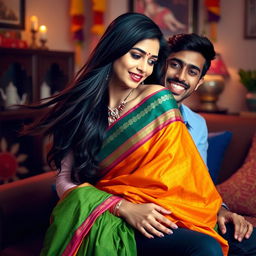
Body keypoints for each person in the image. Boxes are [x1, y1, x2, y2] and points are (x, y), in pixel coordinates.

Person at [22, 13, 229, 255]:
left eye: (151, 61)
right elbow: (65, 181)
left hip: (161, 210)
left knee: (225, 242)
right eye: (137, 55)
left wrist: (219, 209)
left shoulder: (156, 100)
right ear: (114, 49)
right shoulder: (79, 109)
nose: (143, 68)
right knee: (205, 248)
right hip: (106, 213)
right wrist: (122, 207)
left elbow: (183, 174)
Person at [164, 33, 256, 256]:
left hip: (193, 214)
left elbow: (202, 183)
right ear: (160, 65)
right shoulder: (133, 113)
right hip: (156, 216)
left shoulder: (197, 124)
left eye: (192, 71)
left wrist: (221, 210)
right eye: (174, 64)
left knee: (250, 240)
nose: (180, 76)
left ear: (199, 83)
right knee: (207, 248)